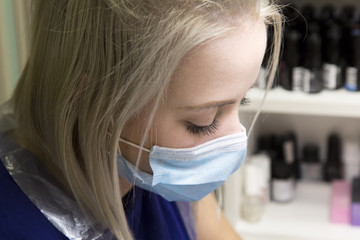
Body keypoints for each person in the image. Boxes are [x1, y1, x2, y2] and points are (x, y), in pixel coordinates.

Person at [0, 0, 282, 239]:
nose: (235, 140)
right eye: (204, 121)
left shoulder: (161, 173)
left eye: (242, 100)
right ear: (94, 102)